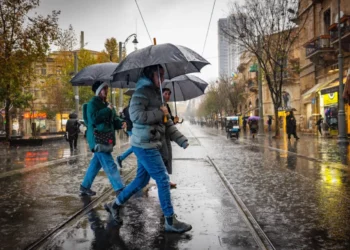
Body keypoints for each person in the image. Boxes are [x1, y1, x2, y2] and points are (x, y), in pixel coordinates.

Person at [104, 65, 192, 233]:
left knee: (141, 181)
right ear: (150, 75)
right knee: (163, 179)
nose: (162, 78)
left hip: (150, 143)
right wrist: (160, 112)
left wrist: (181, 140)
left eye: (163, 75)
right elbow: (136, 115)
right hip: (144, 144)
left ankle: (115, 205)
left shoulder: (158, 95)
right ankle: (170, 220)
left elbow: (167, 124)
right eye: (159, 75)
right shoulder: (141, 93)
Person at [79, 81, 126, 197]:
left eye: (106, 88)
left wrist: (121, 123)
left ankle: (84, 186)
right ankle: (120, 188)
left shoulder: (107, 104)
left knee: (95, 164)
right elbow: (93, 119)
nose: (105, 91)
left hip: (106, 138)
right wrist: (107, 110)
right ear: (97, 91)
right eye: (103, 89)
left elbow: (114, 120)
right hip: (98, 138)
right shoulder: (92, 104)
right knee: (110, 165)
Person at [161, 87, 184, 188]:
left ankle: (166, 180)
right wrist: (166, 116)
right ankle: (163, 181)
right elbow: (162, 120)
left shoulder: (167, 106)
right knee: (164, 157)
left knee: (168, 157)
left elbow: (168, 121)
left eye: (169, 94)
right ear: (161, 94)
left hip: (167, 135)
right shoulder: (160, 106)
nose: (167, 96)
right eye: (165, 93)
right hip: (161, 136)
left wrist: (174, 121)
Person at [116, 99, 133, 168]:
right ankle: (120, 158)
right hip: (132, 129)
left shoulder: (126, 109)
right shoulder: (130, 109)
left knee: (136, 146)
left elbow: (122, 118)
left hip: (130, 129)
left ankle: (120, 158)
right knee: (136, 146)